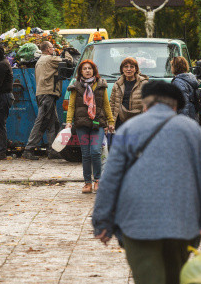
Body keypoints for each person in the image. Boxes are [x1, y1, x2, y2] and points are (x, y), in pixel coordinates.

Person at [92, 80, 201, 284]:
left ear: (145, 105)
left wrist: (102, 221)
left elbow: (110, 180)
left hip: (137, 224)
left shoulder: (128, 130)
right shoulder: (194, 132)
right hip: (183, 224)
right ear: (175, 107)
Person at [66, 60, 115, 193]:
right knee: (86, 154)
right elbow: (71, 106)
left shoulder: (101, 85)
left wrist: (111, 121)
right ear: (80, 71)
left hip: (97, 123)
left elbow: (106, 104)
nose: (87, 71)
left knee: (95, 151)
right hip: (82, 124)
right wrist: (69, 121)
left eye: (90, 68)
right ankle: (87, 182)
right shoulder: (75, 86)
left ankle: (98, 180)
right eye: (84, 69)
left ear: (94, 71)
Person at [23, 41, 73, 160]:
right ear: (47, 49)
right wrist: (67, 52)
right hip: (48, 94)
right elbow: (68, 62)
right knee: (42, 121)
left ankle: (53, 150)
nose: (54, 49)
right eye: (52, 47)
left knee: (53, 123)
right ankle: (29, 149)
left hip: (42, 94)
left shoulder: (40, 61)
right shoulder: (50, 59)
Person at [109, 57, 148, 130]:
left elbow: (148, 105)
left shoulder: (144, 84)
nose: (129, 69)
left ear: (136, 69)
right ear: (122, 69)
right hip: (120, 122)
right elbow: (112, 104)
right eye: (126, 67)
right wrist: (110, 122)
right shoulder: (117, 84)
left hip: (137, 122)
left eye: (132, 67)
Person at [171, 56, 200, 121]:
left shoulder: (178, 82)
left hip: (185, 119)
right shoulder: (190, 78)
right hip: (193, 116)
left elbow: (183, 104)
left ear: (174, 67)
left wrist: (183, 122)